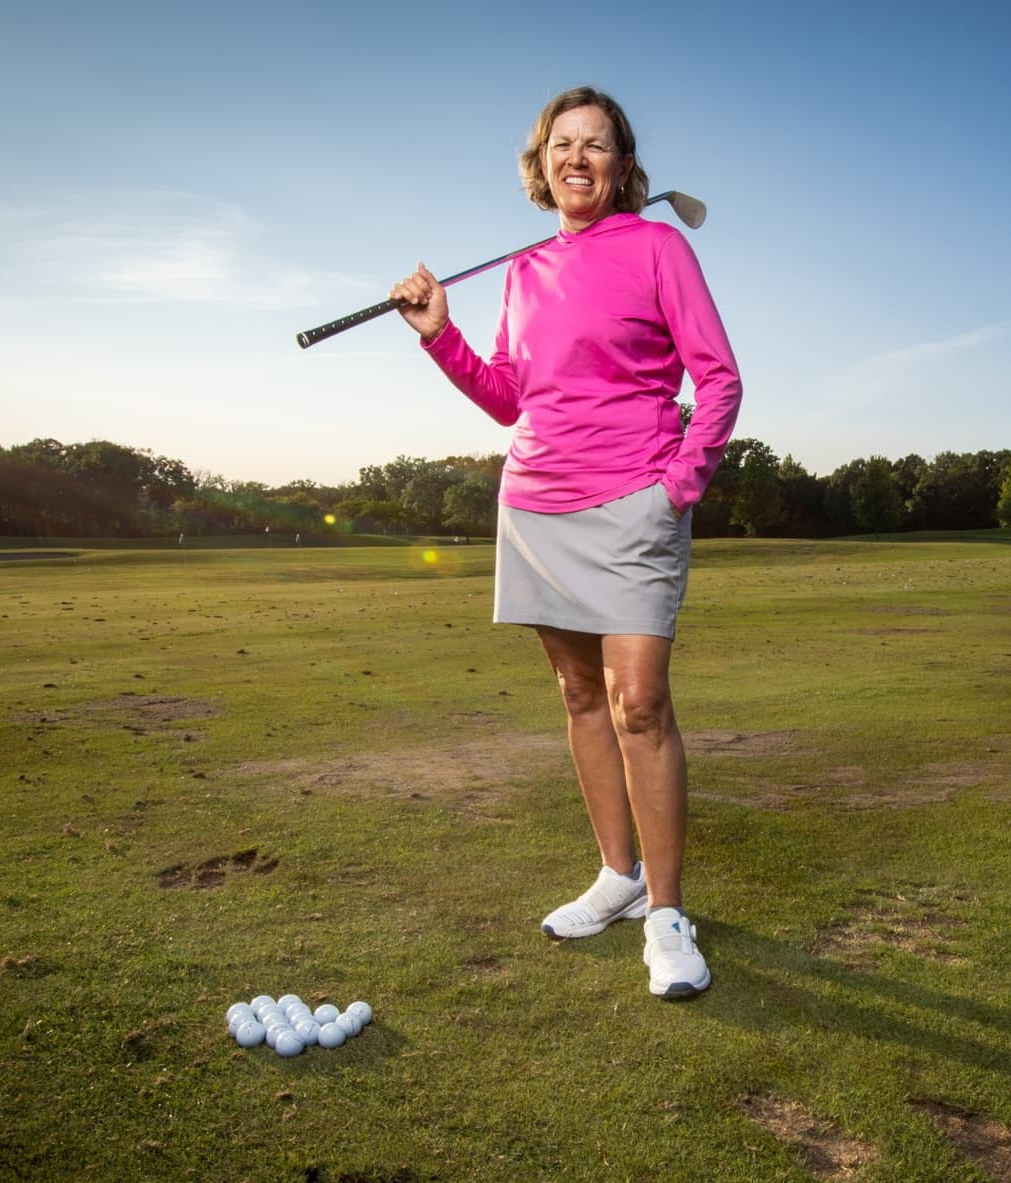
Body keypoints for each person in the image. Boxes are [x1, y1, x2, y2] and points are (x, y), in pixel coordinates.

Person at [389, 86, 742, 999]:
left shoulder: (659, 246)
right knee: (580, 695)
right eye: (562, 144)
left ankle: (665, 916)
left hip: (634, 501)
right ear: (541, 164)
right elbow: (511, 397)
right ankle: (617, 876)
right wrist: (440, 338)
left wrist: (677, 488)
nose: (577, 157)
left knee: (640, 705)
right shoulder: (523, 270)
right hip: (538, 504)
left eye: (597, 145)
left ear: (623, 168)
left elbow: (719, 378)